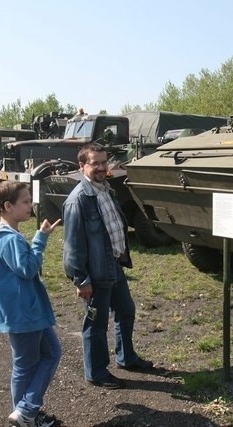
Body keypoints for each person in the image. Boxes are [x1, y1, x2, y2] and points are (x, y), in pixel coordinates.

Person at [62, 142, 153, 389]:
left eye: (104, 162)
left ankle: (126, 358)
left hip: (114, 265)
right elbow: (72, 247)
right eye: (95, 163)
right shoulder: (78, 200)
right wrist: (81, 280)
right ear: (82, 167)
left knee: (126, 311)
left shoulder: (106, 190)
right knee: (96, 323)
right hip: (95, 272)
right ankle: (97, 373)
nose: (102, 168)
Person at [0, 181, 62, 427]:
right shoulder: (9, 240)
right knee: (27, 364)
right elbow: (28, 268)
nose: (30, 205)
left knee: (49, 353)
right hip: (23, 312)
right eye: (25, 202)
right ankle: (26, 411)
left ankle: (27, 413)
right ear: (7, 206)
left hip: (23, 310)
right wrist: (41, 239)